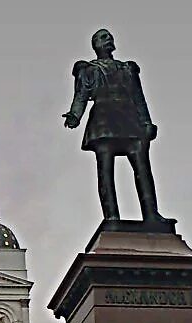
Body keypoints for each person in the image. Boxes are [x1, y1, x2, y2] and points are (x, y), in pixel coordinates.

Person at [63, 29, 168, 224]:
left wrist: (146, 122)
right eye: (103, 37)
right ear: (96, 45)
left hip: (130, 120)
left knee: (142, 168)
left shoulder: (127, 68)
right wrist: (74, 116)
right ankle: (112, 216)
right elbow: (81, 95)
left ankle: (151, 214)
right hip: (103, 121)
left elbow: (138, 97)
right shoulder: (89, 69)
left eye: (110, 37)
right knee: (105, 170)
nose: (109, 39)